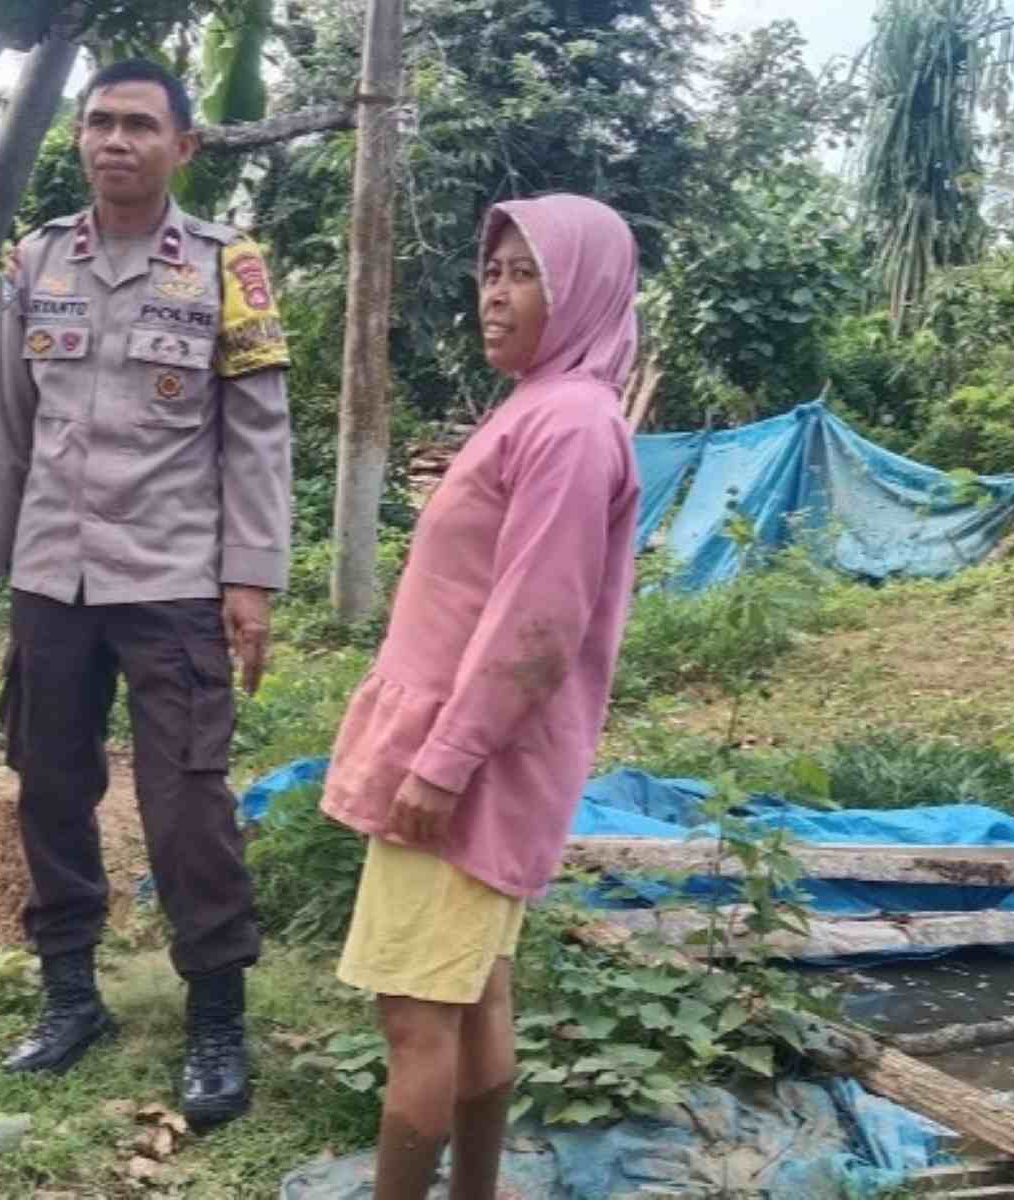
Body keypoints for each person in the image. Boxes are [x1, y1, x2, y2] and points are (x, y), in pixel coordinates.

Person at [0, 58, 292, 1130]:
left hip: (173, 580)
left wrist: (250, 581)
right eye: (99, 123)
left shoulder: (228, 267)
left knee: (186, 804)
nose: (115, 141)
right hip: (52, 576)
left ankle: (215, 1017)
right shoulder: (36, 261)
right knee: (48, 787)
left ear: (183, 146)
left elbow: (258, 435)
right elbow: (0, 420)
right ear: (79, 138)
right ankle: (70, 997)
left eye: (139, 124)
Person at [321, 194, 642, 1198]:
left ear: (582, 289)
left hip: (465, 765)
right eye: (491, 272)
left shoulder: (569, 425)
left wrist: (444, 765)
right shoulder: (544, 407)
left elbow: (536, 623)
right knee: (472, 997)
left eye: (524, 274)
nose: (494, 295)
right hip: (472, 755)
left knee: (416, 1020)